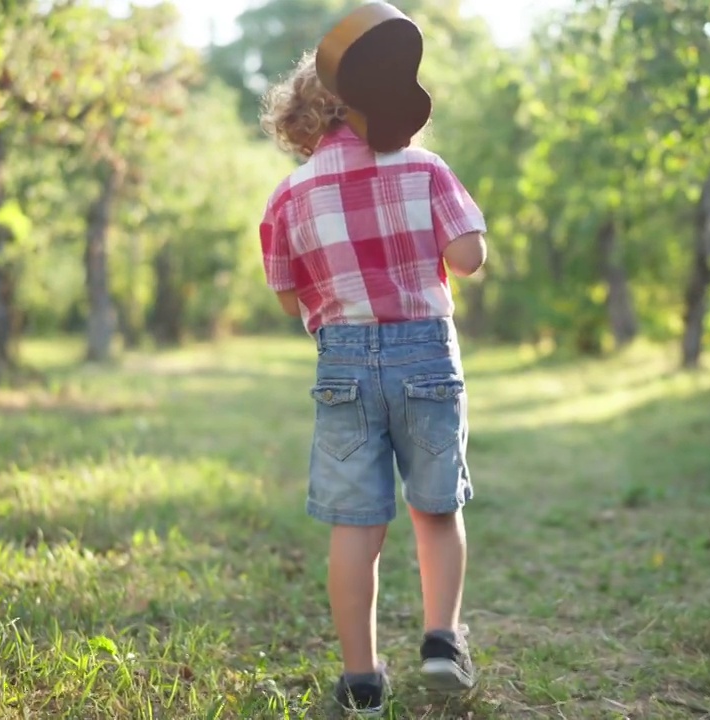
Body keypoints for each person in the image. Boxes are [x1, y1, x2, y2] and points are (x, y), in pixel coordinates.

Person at [257, 49, 488, 717]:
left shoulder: (290, 193)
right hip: (425, 353)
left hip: (343, 362)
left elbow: (285, 295)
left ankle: (361, 679)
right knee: (436, 506)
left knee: (354, 524)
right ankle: (442, 641)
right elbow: (467, 259)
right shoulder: (424, 167)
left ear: (304, 119)